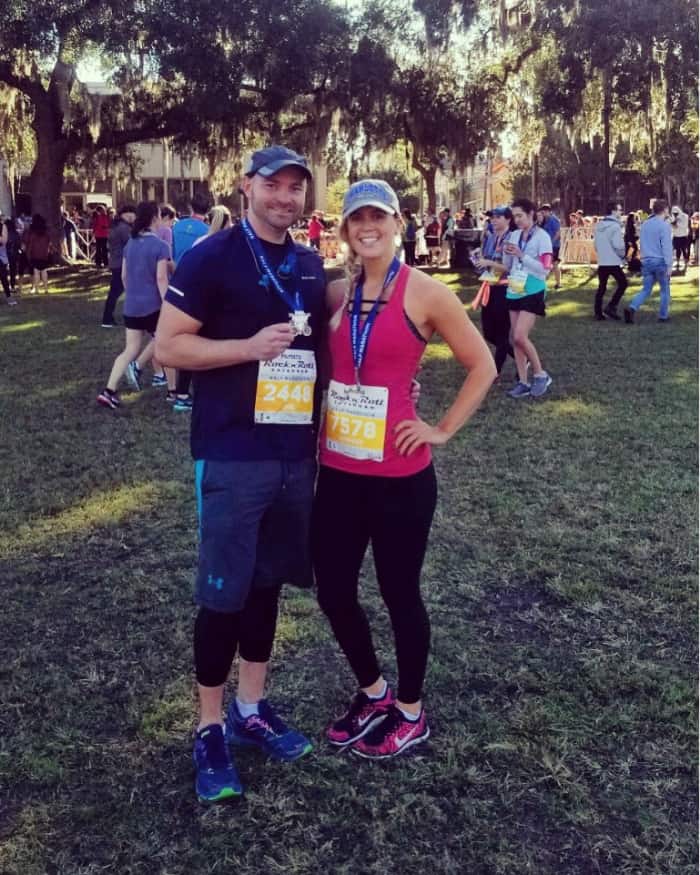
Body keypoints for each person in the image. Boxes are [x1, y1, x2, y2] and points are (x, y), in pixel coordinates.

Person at [154, 145, 326, 802]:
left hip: (292, 456)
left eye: (294, 188)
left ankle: (251, 709)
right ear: (247, 186)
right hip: (231, 454)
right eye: (273, 185)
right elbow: (170, 344)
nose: (284, 197)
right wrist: (245, 349)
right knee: (222, 593)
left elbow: (329, 339)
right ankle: (207, 726)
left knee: (266, 586)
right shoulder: (212, 257)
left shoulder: (309, 265)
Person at [312, 179, 494, 759]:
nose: (368, 227)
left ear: (397, 225)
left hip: (400, 478)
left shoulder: (426, 292)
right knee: (334, 589)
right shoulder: (335, 296)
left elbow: (483, 365)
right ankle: (374, 692)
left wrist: (439, 429)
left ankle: (410, 711)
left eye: (379, 218)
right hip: (338, 471)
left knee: (398, 592)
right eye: (357, 218)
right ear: (345, 229)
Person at [96, 201, 170, 409]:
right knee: (162, 338)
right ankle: (166, 385)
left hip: (132, 306)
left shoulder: (131, 244)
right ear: (155, 218)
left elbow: (124, 275)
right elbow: (161, 279)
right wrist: (168, 304)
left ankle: (108, 390)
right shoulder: (160, 246)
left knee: (129, 349)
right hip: (153, 305)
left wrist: (133, 294)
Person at [502, 197, 553, 398]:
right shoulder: (514, 235)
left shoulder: (543, 237)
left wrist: (523, 255)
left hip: (534, 288)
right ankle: (523, 382)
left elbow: (545, 269)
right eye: (514, 217)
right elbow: (508, 264)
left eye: (520, 216)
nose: (517, 220)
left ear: (531, 214)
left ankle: (540, 374)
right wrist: (506, 252)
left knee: (519, 336)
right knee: (515, 340)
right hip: (515, 288)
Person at [170, 194, 210, 411]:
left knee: (182, 337)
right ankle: (187, 392)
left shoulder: (177, 227)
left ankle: (179, 390)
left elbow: (171, 252)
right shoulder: (207, 233)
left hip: (178, 283)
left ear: (189, 206)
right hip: (199, 285)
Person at [473, 205, 515, 376]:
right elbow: (486, 261)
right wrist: (478, 261)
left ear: (508, 219)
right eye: (492, 217)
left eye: (498, 217)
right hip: (489, 286)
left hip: (505, 288)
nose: (494, 220)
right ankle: (523, 358)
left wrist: (488, 263)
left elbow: (508, 266)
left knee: (502, 332)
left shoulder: (512, 238)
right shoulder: (490, 238)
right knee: (489, 333)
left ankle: (494, 371)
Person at [624, 199, 673, 323]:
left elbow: (642, 243)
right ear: (665, 209)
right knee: (664, 289)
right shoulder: (664, 225)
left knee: (646, 289)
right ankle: (663, 316)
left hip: (646, 261)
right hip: (660, 261)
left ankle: (632, 307)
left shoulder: (645, 224)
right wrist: (669, 265)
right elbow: (666, 246)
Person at [101, 204, 136, 328]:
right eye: (132, 214)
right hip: (122, 263)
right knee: (116, 292)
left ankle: (108, 317)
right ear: (125, 214)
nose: (134, 217)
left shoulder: (117, 226)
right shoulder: (124, 228)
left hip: (116, 262)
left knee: (116, 292)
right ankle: (107, 319)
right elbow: (132, 243)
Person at [593, 202, 627, 321]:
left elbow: (595, 245)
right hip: (613, 261)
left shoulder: (598, 225)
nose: (620, 212)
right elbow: (618, 245)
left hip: (602, 261)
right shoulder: (615, 226)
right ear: (613, 211)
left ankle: (598, 312)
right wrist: (623, 255)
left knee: (602, 287)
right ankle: (611, 306)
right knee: (623, 283)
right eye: (619, 210)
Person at [23, 214, 52, 295]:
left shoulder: (33, 233)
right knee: (44, 271)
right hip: (44, 253)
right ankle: (46, 289)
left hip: (35, 254)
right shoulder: (46, 232)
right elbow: (49, 242)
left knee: (36, 272)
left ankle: (37, 289)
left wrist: (28, 254)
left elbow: (30, 244)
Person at [540, 204, 561, 289]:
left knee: (555, 264)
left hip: (554, 246)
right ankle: (543, 283)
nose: (543, 214)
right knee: (545, 264)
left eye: (544, 212)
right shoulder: (545, 220)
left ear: (548, 211)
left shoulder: (553, 220)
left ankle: (558, 283)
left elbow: (558, 233)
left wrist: (551, 243)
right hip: (547, 246)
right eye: (542, 212)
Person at [0, 221, 17, 305]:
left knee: (3, 277)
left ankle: (9, 296)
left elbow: (3, 240)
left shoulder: (2, 226)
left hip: (1, 257)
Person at [669, 205, 690, 270]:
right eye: (674, 213)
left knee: (684, 250)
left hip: (683, 236)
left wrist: (676, 223)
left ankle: (686, 263)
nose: (675, 215)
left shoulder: (685, 216)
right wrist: (673, 224)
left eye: (676, 213)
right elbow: (672, 227)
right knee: (677, 250)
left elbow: (684, 225)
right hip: (676, 236)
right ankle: (677, 263)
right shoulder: (673, 217)